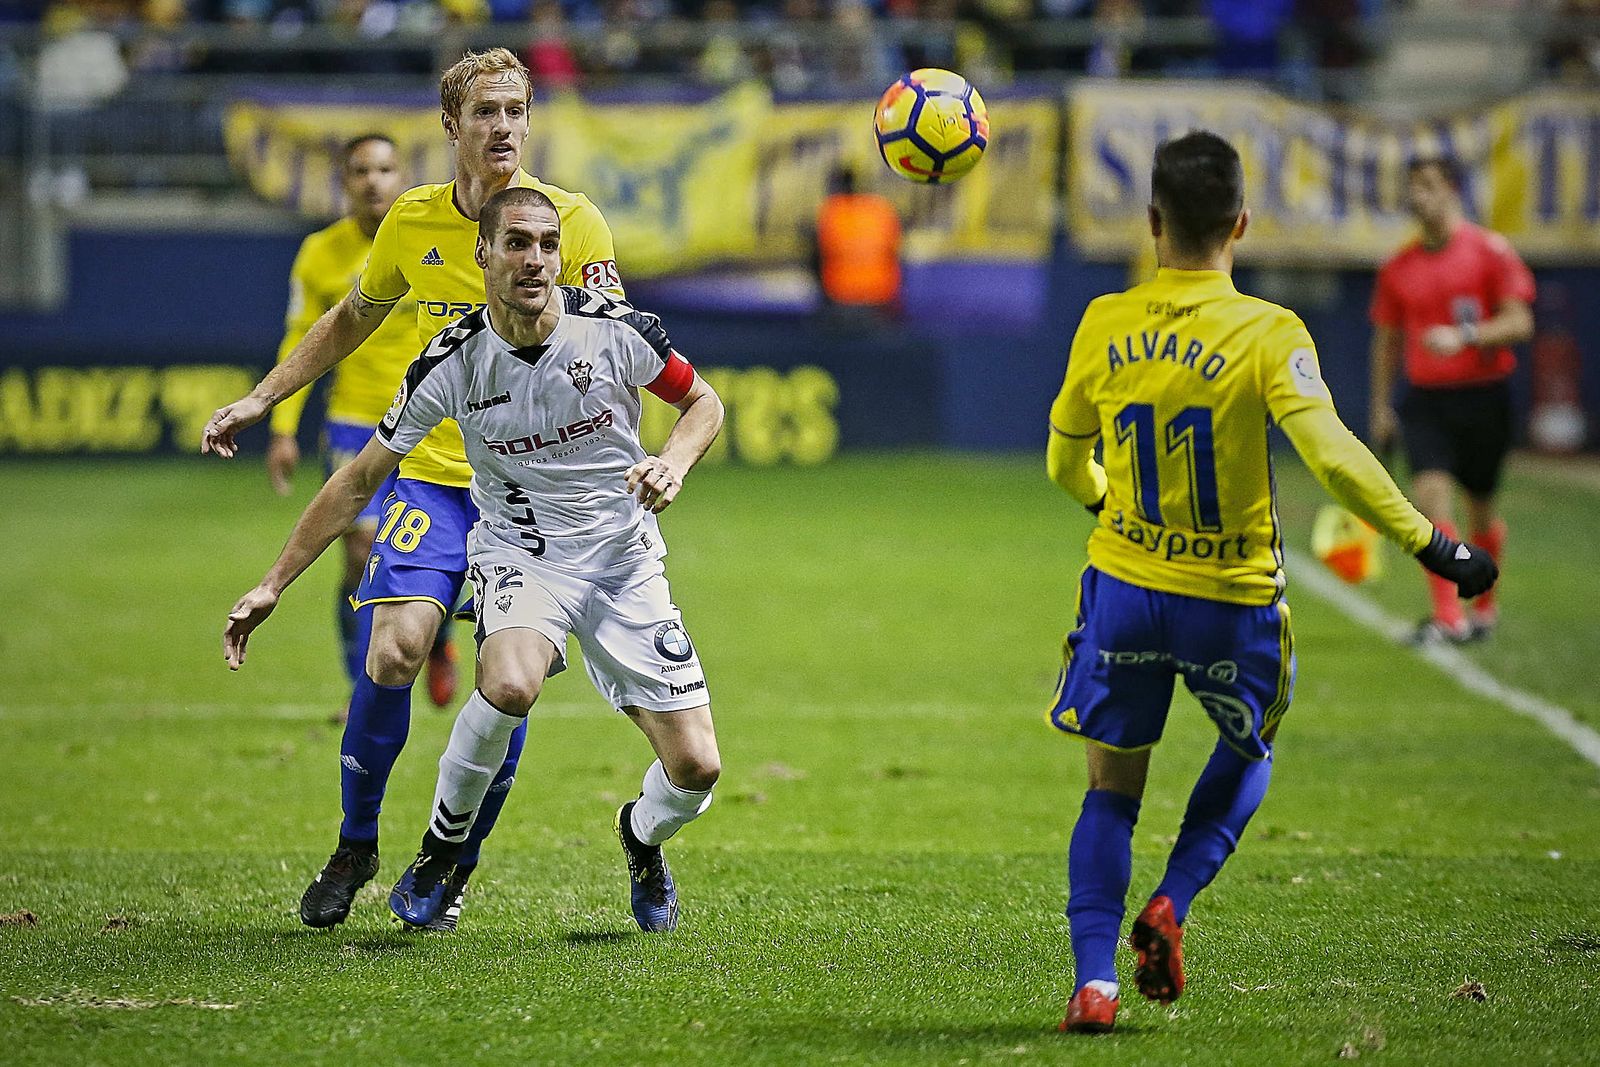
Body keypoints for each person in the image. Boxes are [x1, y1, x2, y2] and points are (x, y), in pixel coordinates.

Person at [1044, 131, 1497, 1034]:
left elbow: (1065, 464)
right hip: (1231, 599)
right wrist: (1431, 544)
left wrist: (1107, 503)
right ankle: (1171, 900)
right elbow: (1331, 456)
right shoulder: (1267, 332)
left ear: (1152, 222)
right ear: (1241, 223)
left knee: (1109, 787)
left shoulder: (1102, 321)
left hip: (1128, 586)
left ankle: (1093, 981)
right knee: (1249, 748)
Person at [202, 47, 627, 933]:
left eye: (517, 110)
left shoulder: (570, 223)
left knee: (508, 683)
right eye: (486, 112)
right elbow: (350, 317)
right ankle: (357, 842)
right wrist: (265, 398)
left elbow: (615, 351)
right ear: (452, 126)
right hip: (431, 479)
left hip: (534, 503)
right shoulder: (412, 222)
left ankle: (452, 864)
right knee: (391, 650)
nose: (504, 127)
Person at [223, 186, 724, 934]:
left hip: (623, 559)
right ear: (482, 254)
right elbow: (359, 478)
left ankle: (640, 838)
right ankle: (438, 852)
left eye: (548, 244)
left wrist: (674, 461)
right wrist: (272, 583)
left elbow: (703, 403)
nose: (536, 260)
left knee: (697, 769)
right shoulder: (453, 362)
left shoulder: (615, 330)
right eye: (517, 243)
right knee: (510, 681)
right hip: (521, 550)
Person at [265, 133, 461, 714]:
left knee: (433, 545)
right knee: (359, 551)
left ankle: (440, 636)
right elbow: (302, 338)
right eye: (360, 170)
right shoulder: (319, 254)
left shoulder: (427, 238)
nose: (373, 180)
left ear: (400, 176)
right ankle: (361, 689)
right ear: (345, 182)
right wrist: (282, 428)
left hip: (429, 419)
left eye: (384, 168)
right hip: (354, 419)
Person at [1369, 155, 1534, 644]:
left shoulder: (1489, 252)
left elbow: (1520, 322)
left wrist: (1467, 337)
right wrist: (1381, 404)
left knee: (1480, 510)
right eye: (1412, 187)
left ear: (1452, 191)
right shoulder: (1399, 267)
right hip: (1426, 401)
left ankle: (1483, 604)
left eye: (1429, 186)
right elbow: (1388, 338)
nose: (1418, 196)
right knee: (1430, 501)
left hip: (1483, 396)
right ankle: (1447, 616)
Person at [812, 162, 901, 316]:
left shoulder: (833, 211)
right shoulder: (881, 209)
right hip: (881, 293)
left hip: (840, 294)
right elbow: (895, 251)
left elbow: (817, 255)